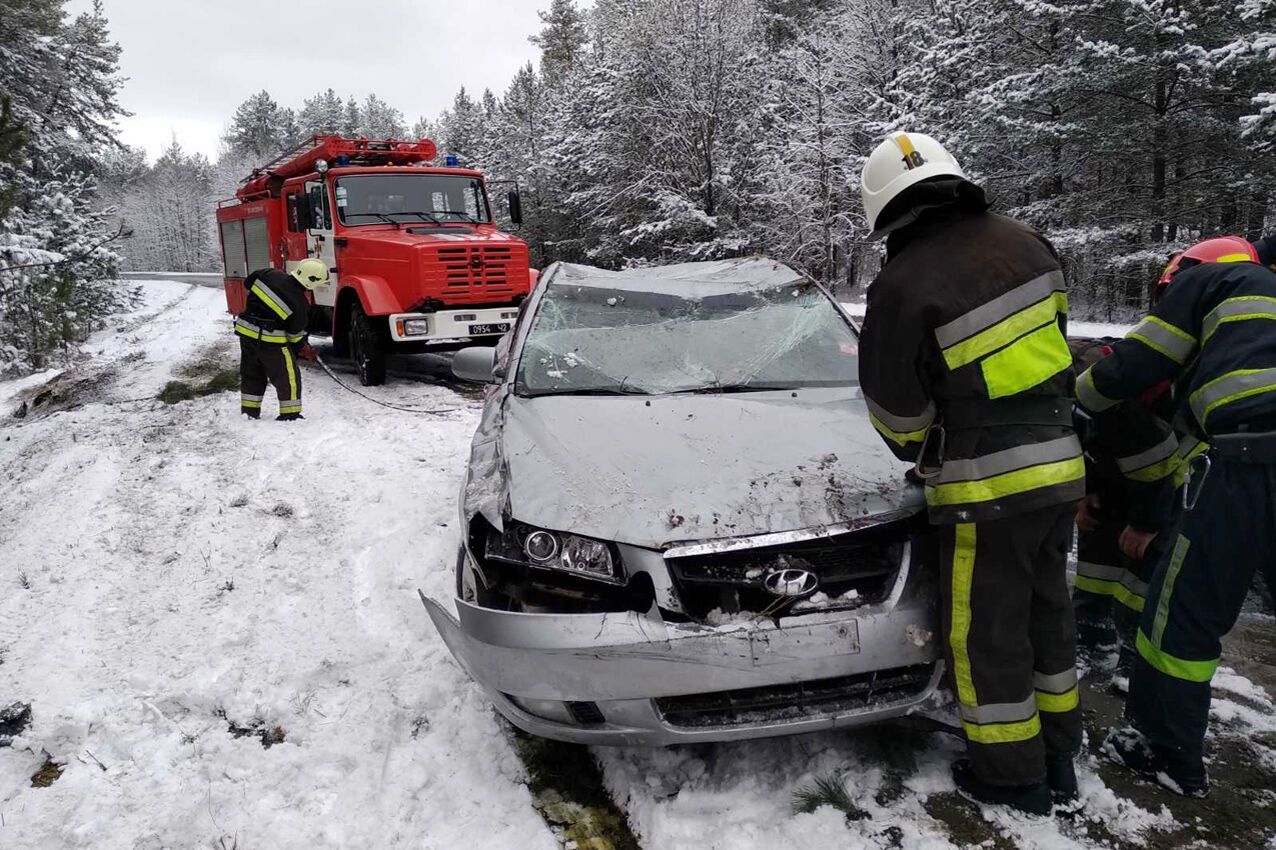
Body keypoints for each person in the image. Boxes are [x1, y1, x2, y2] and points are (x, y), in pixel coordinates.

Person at [858, 132, 1083, 816]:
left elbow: (898, 414)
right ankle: (1059, 756)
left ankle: (1013, 777)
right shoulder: (1028, 242)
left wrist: (921, 446)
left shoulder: (903, 284)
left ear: (887, 210)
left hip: (986, 487)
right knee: (1047, 612)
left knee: (987, 631)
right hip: (1060, 467)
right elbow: (1055, 344)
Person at [1076, 235, 1276, 797]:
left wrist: (1077, 401)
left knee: (1181, 616)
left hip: (1248, 461)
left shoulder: (1215, 280)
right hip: (1242, 453)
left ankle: (1163, 751)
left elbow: (1134, 365)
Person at [1070, 338, 1178, 690]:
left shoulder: (1099, 398)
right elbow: (1077, 449)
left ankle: (1137, 652)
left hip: (1172, 462)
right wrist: (1084, 493)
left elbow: (1155, 460)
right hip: (1122, 457)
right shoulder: (1044, 400)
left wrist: (1145, 524)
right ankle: (1092, 633)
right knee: (1096, 530)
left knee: (1146, 559)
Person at [235, 259, 327, 420]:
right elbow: (294, 334)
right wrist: (303, 347)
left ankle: (249, 412)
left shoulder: (269, 274)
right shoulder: (299, 304)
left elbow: (248, 282)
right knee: (287, 376)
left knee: (252, 373)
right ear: (312, 281)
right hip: (271, 342)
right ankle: (290, 413)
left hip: (246, 334)